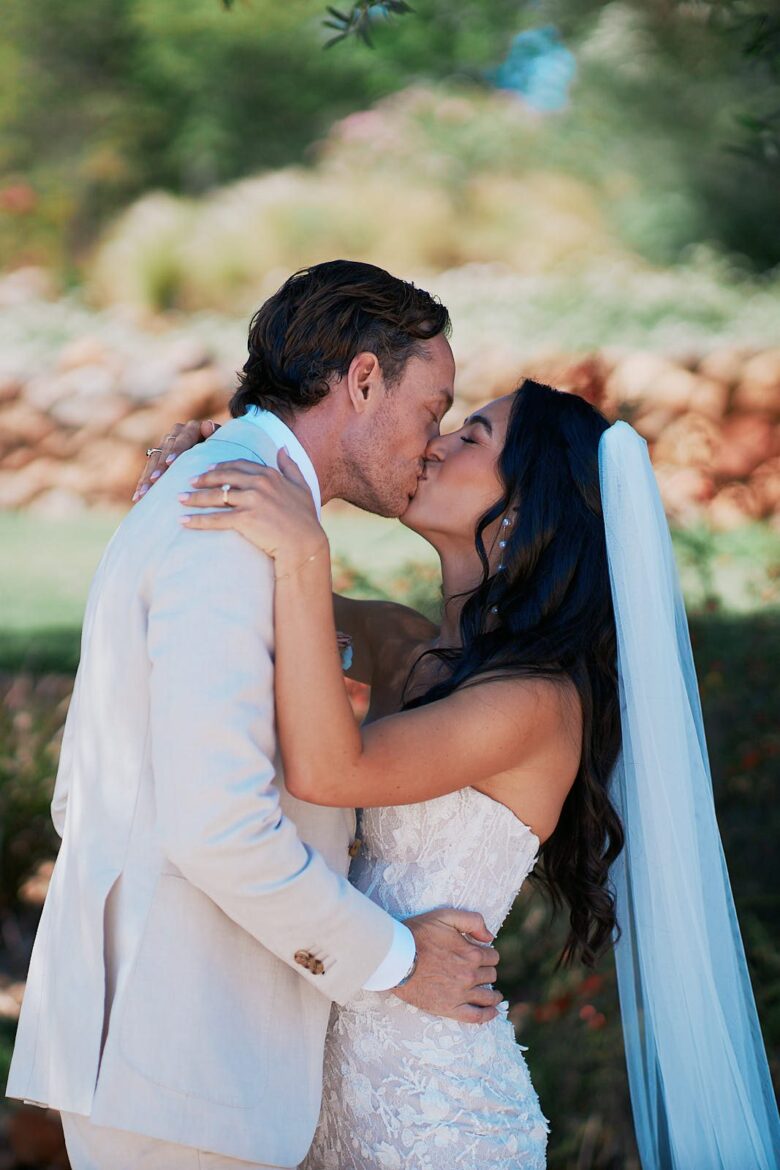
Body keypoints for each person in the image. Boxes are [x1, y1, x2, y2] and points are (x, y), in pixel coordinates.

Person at [153, 377, 780, 1169]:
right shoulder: (403, 645)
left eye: (472, 437)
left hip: (440, 1120)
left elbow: (330, 770)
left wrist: (307, 550)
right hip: (324, 1099)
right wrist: (198, 478)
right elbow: (243, 579)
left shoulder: (535, 704)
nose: (435, 444)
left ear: (523, 511)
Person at [6, 261, 505, 1170]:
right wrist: (398, 962)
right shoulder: (227, 520)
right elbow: (219, 827)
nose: (432, 443)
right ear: (362, 380)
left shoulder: (237, 500)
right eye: (432, 410)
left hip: (184, 1060)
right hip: (183, 1059)